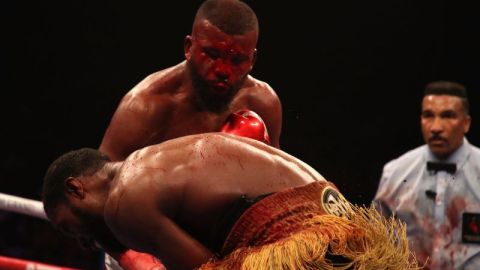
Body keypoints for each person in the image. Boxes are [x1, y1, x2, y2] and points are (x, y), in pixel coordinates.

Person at [43, 133, 418, 270]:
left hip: (300, 248)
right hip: (349, 227)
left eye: (68, 226)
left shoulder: (122, 202)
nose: (80, 239)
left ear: (77, 188)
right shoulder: (154, 158)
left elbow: (208, 269)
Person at [99, 0, 282, 162]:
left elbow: (279, 179)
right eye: (212, 54)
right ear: (188, 47)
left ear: (252, 60)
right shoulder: (144, 107)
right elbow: (100, 184)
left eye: (237, 60)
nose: (223, 70)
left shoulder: (263, 103)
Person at [374, 81, 480, 269]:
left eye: (448, 116)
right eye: (428, 115)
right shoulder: (395, 174)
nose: (436, 127)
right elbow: (374, 245)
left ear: (466, 123)